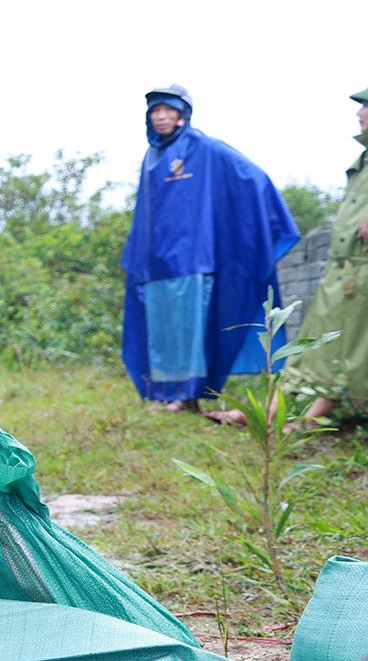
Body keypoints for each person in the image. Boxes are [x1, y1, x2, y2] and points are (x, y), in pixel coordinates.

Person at [120, 86, 299, 421]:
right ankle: (169, 394)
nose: (160, 117)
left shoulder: (204, 148)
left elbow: (252, 176)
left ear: (182, 115)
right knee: (164, 332)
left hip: (193, 260)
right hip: (157, 264)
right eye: (154, 112)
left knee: (190, 331)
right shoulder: (152, 157)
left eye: (167, 110)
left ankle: (189, 397)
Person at [285, 88, 368, 425]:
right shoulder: (362, 161)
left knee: (346, 346)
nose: (359, 112)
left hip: (361, 268)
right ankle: (283, 411)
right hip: (343, 269)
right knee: (322, 344)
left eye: (365, 106)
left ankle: (308, 417)